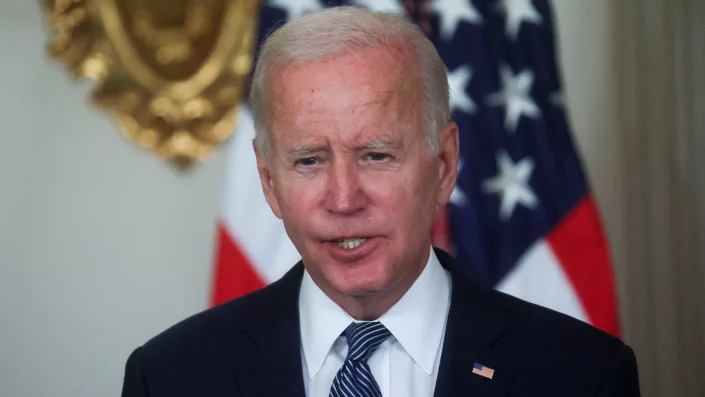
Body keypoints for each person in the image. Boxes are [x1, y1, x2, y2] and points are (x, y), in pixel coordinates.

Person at [121, 6, 640, 397]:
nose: (344, 199)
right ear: (267, 180)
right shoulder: (170, 376)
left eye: (375, 155)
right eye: (309, 161)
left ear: (443, 164)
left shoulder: (583, 374)